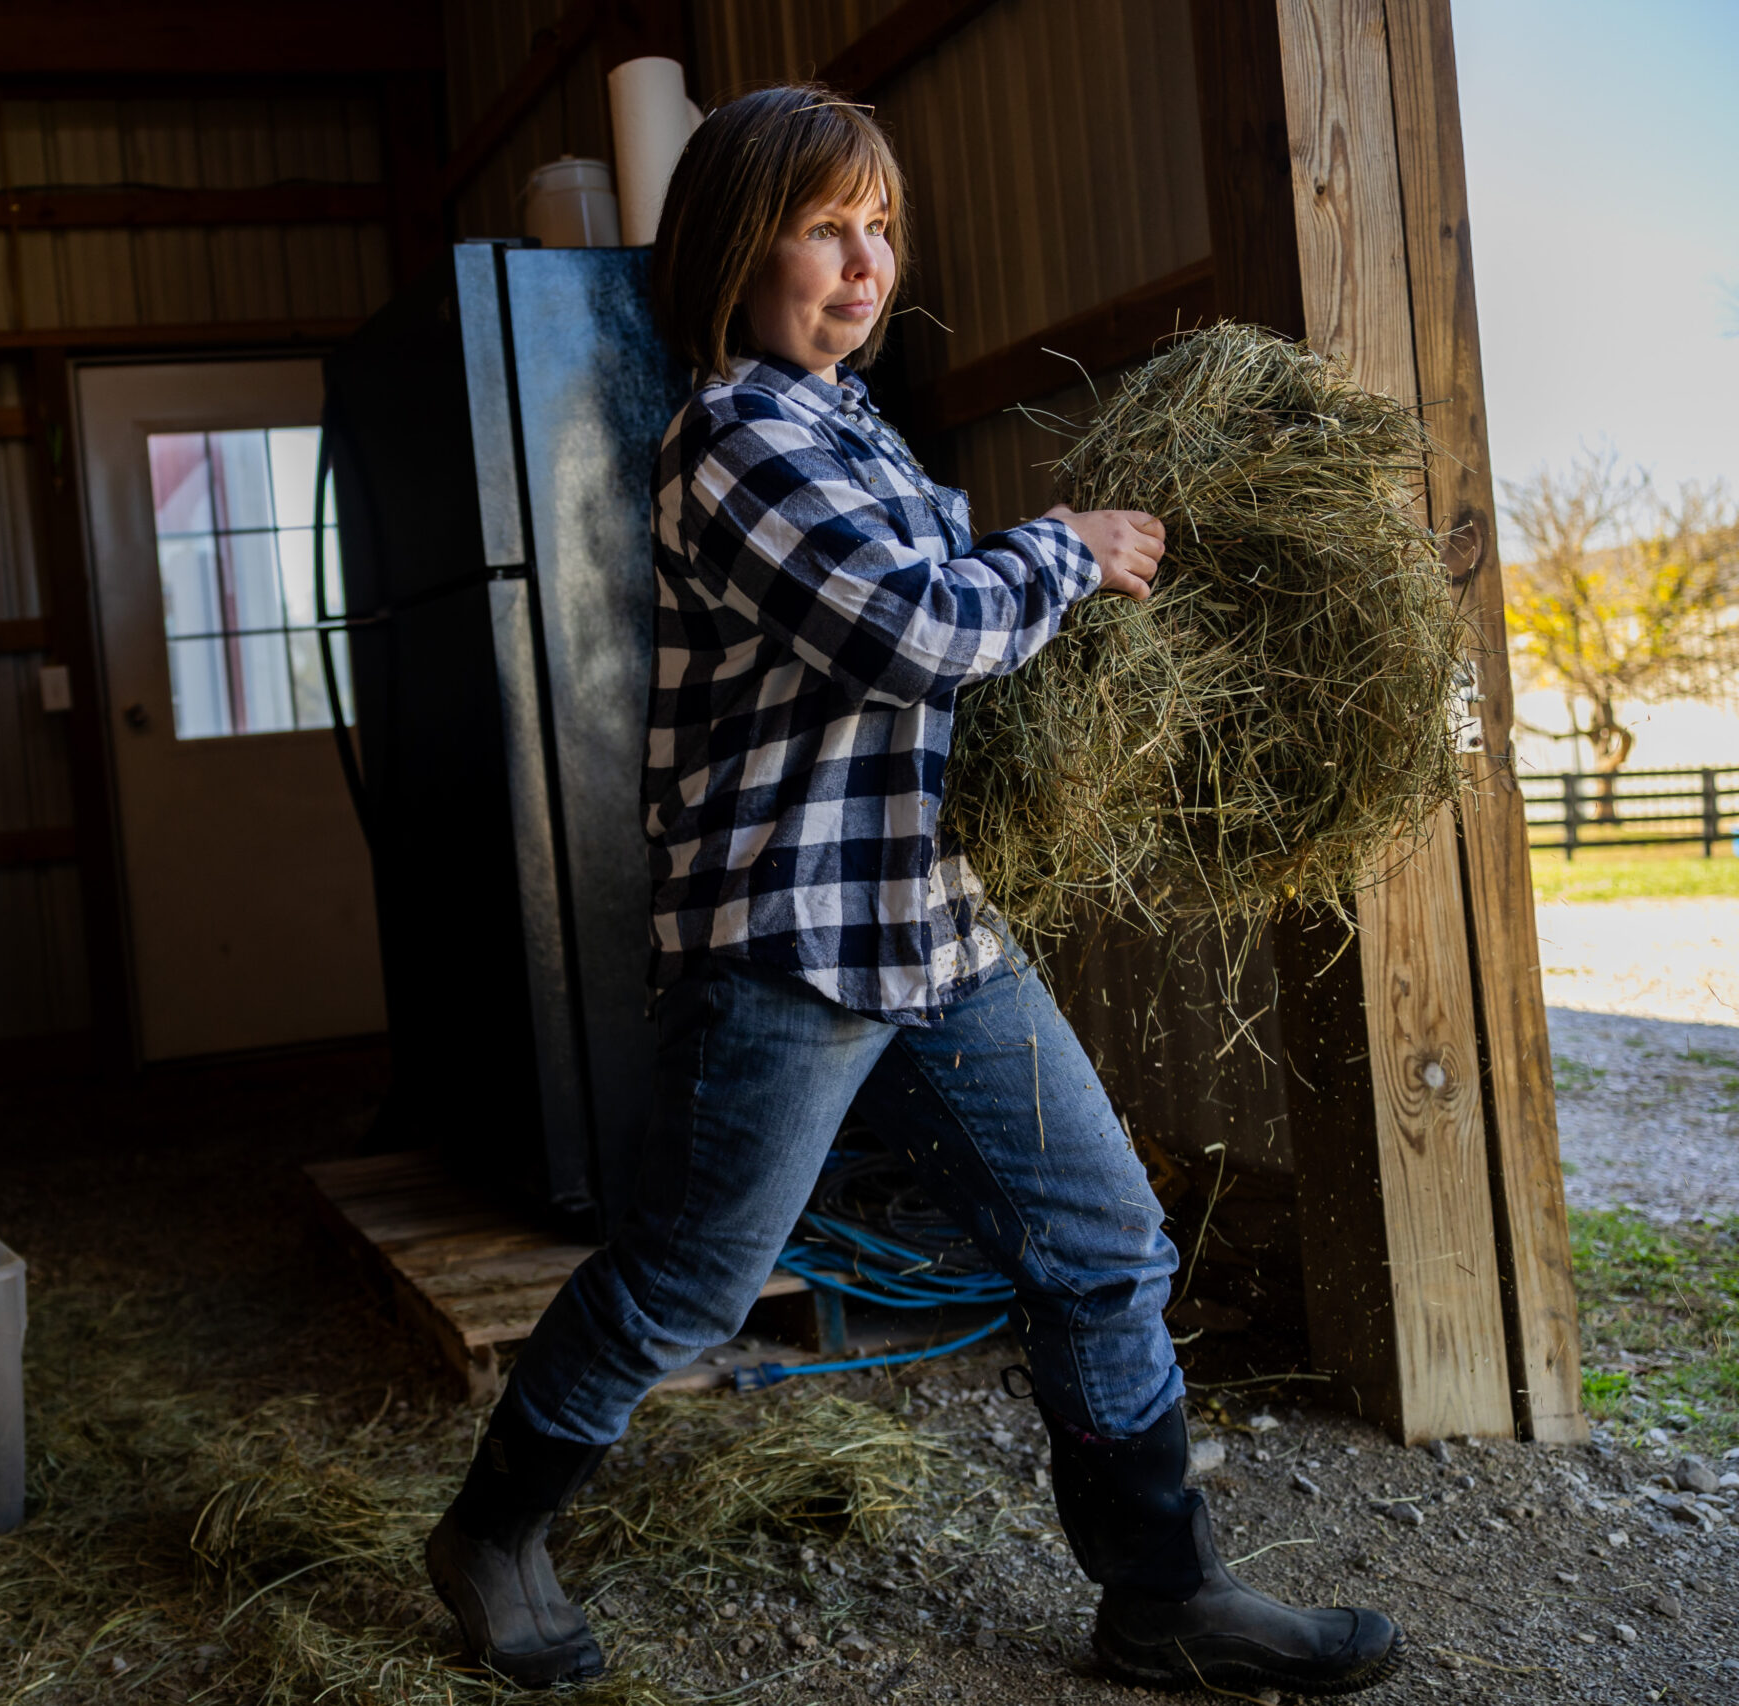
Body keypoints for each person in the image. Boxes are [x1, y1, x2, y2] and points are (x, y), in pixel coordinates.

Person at [423, 84, 1406, 1697]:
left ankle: (1161, 1592)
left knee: (1103, 1239)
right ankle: (489, 1532)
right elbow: (918, 630)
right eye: (825, 226)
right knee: (691, 1278)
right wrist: (1065, 549)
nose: (864, 261)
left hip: (937, 925)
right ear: (736, 250)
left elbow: (944, 653)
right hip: (794, 946)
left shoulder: (853, 424)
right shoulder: (733, 439)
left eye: (881, 228)